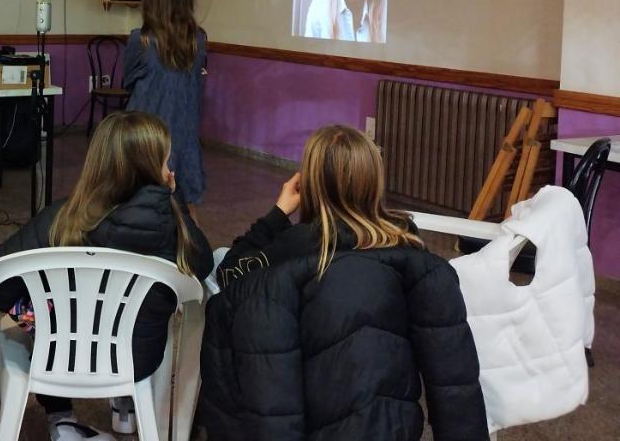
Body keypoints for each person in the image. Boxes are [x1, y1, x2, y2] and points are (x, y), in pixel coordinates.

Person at [202, 125, 488, 440]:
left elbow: (229, 276)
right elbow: (453, 384)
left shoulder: (293, 246)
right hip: (393, 428)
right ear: (374, 181)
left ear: (308, 183)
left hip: (312, 424)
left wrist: (278, 213)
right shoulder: (409, 246)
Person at [0, 111, 213, 441]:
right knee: (148, 304)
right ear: (155, 172)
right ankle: (125, 403)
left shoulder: (60, 219)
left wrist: (35, 312)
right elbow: (202, 264)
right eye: (166, 162)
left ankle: (61, 419)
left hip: (58, 356)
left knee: (35, 305)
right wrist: (173, 199)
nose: (170, 169)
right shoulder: (172, 230)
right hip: (136, 359)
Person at [122, 0, 208, 208]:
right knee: (185, 208)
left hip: (144, 135)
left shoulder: (141, 40)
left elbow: (128, 82)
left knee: (138, 203)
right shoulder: (198, 40)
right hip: (184, 136)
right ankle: (192, 246)